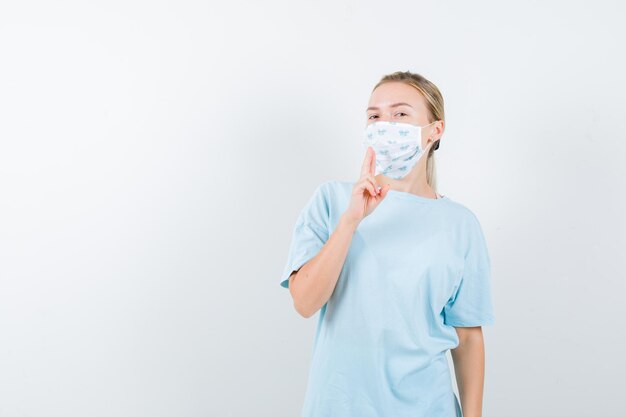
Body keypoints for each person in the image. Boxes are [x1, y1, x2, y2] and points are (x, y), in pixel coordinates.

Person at [279, 70, 495, 417]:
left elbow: (468, 338)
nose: (385, 124)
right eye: (375, 116)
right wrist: (351, 220)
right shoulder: (332, 201)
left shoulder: (460, 224)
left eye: (401, 114)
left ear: (435, 131)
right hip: (339, 407)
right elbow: (305, 302)